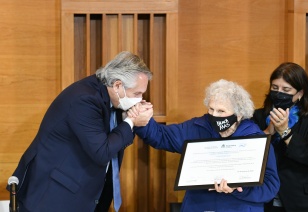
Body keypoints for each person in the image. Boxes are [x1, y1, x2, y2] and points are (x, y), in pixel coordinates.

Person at [7, 51, 153, 212]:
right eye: (137, 93)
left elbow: (115, 142)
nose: (139, 99)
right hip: (54, 196)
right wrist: (131, 122)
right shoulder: (84, 100)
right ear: (118, 85)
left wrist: (128, 119)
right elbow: (102, 151)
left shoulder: (112, 98)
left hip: (85, 195)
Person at [130, 79, 280, 212]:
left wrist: (238, 189)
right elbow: (162, 136)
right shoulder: (198, 127)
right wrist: (142, 120)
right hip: (198, 206)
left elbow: (270, 187)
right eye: (211, 109)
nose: (214, 115)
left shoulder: (256, 140)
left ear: (239, 114)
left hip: (239, 207)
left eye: (221, 111)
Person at [252, 62, 308, 212]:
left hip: (305, 200)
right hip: (268, 200)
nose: (279, 93)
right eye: (275, 88)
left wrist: (285, 132)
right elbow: (250, 155)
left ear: (300, 93)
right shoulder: (259, 116)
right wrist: (268, 131)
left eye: (286, 89)